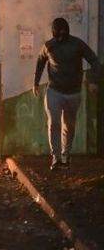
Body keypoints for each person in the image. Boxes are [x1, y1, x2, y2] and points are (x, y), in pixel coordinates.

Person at [33, 17, 100, 171]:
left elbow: (94, 61)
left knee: (69, 125)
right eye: (59, 34)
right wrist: (35, 83)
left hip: (73, 92)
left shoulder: (77, 44)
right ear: (54, 33)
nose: (62, 37)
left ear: (68, 32)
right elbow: (40, 61)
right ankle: (56, 157)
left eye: (64, 34)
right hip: (54, 91)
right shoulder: (48, 46)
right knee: (54, 122)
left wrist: (93, 81)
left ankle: (65, 155)